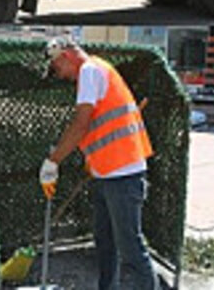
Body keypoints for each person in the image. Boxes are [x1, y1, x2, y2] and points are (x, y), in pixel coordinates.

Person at [38, 37, 159, 290]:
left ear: (66, 56)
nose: (60, 75)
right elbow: (98, 127)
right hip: (108, 173)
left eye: (58, 68)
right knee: (106, 244)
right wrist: (92, 162)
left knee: (130, 249)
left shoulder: (90, 71)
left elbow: (81, 124)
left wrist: (53, 161)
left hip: (123, 175)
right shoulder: (96, 70)